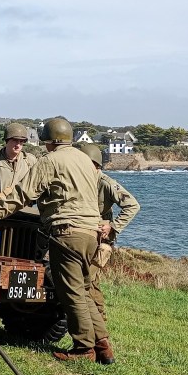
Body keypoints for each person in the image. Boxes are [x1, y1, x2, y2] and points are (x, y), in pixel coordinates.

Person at [0, 117, 113, 363]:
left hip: (67, 232)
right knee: (85, 291)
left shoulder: (49, 161)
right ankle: (103, 345)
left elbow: (22, 194)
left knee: (72, 293)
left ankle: (84, 349)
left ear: (50, 140)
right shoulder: (85, 161)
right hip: (91, 232)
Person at [77, 142, 140, 333]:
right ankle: (97, 327)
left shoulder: (106, 183)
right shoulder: (79, 181)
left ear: (95, 165)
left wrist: (113, 226)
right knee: (89, 282)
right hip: (83, 237)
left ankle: (98, 327)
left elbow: (132, 205)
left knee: (88, 281)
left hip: (100, 241)